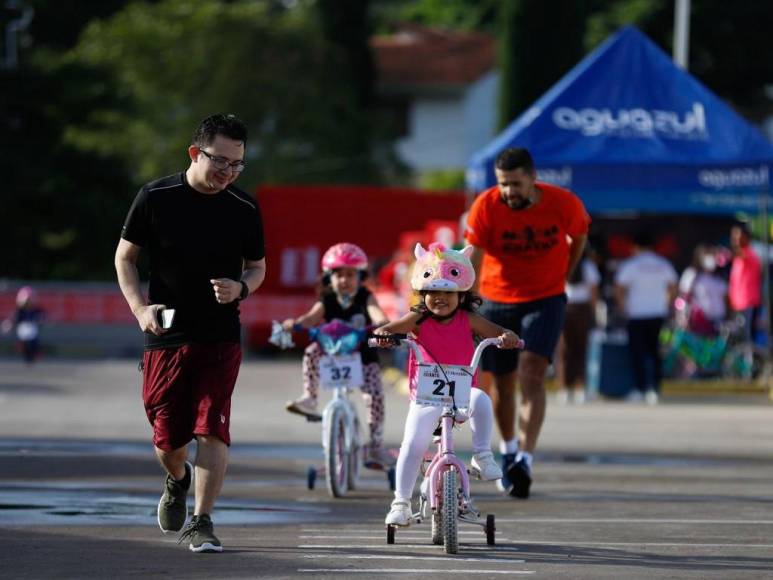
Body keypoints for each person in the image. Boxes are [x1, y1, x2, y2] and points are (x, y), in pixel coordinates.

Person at [114, 113, 265, 553]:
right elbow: (125, 259)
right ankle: (176, 478)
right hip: (166, 333)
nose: (228, 173)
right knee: (168, 438)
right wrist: (139, 308)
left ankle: (202, 521)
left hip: (220, 336)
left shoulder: (244, 207)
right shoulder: (155, 197)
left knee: (212, 429)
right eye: (221, 161)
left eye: (237, 165)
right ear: (194, 153)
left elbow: (257, 268)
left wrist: (241, 287)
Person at [465, 147, 589, 498]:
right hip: (496, 299)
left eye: (515, 184)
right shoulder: (486, 205)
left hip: (545, 297)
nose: (508, 192)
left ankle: (526, 458)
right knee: (502, 384)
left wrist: (566, 273)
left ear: (533, 179)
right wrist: (466, 295)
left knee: (532, 373)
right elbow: (473, 252)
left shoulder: (565, 204)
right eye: (503, 184)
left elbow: (579, 237)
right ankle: (508, 453)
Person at [374, 243, 521, 526]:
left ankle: (482, 455)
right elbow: (390, 328)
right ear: (423, 293)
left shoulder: (469, 319)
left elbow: (501, 332)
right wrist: (383, 334)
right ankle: (401, 502)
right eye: (434, 292)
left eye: (448, 292)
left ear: (461, 295)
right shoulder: (418, 319)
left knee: (482, 399)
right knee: (413, 445)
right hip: (427, 397)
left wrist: (508, 337)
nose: (440, 298)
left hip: (462, 395)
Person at [282, 242, 394, 468]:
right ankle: (310, 397)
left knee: (374, 397)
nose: (344, 280)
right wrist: (295, 324)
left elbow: (377, 313)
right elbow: (312, 317)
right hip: (333, 353)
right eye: (338, 275)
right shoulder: (328, 298)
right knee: (312, 351)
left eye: (350, 274)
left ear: (360, 276)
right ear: (328, 277)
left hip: (362, 356)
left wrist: (382, 324)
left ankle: (375, 444)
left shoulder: (365, 296)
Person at [613, 231, 677, 405]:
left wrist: (623, 307)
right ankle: (655, 389)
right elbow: (673, 287)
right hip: (657, 313)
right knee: (655, 352)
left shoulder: (631, 265)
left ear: (635, 247)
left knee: (637, 353)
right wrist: (665, 304)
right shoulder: (663, 264)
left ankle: (640, 389)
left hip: (636, 314)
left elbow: (619, 288)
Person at [554, 250, 601, 404]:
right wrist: (594, 312)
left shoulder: (560, 262)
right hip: (581, 309)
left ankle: (564, 389)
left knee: (563, 350)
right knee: (580, 349)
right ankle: (579, 388)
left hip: (564, 307)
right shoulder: (588, 266)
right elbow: (593, 291)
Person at [728, 224, 761, 342]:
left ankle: (750, 360)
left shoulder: (749, 254)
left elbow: (738, 254)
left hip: (748, 304)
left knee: (748, 337)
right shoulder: (738, 258)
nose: (735, 240)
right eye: (734, 236)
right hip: (738, 305)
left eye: (738, 236)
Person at [1, 286, 45, 364]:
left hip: (32, 330)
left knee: (33, 338)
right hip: (23, 330)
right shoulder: (19, 311)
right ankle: (25, 351)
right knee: (25, 338)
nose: (28, 303)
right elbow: (13, 319)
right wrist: (9, 324)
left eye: (29, 301)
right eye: (26, 301)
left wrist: (40, 320)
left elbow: (41, 317)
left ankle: (35, 351)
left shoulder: (36, 310)